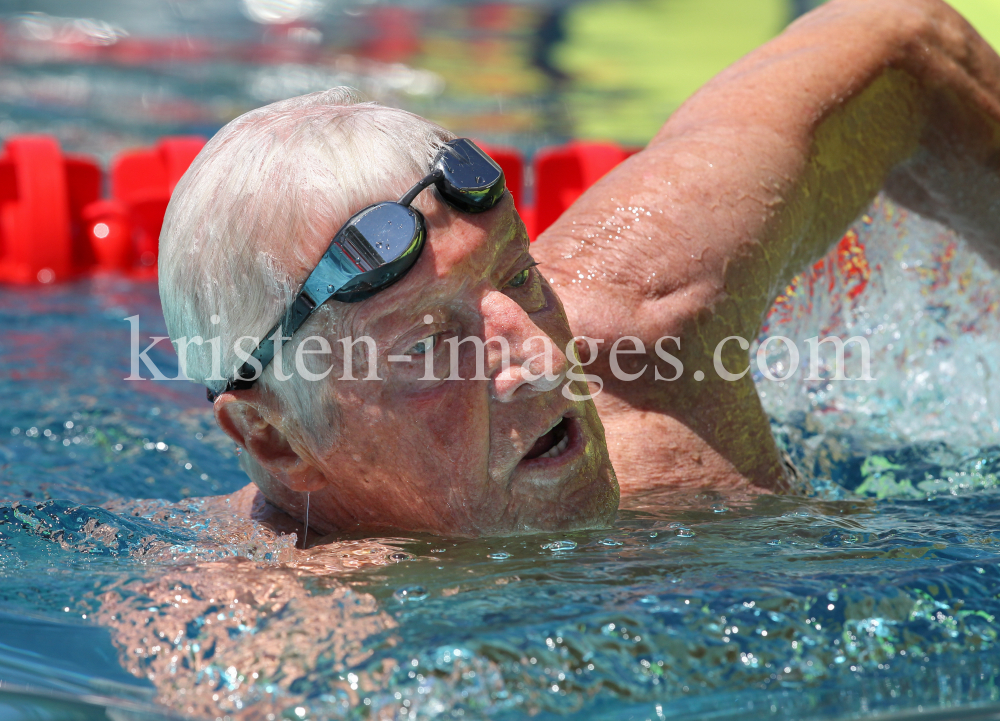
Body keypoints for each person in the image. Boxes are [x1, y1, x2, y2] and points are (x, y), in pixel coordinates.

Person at [159, 0, 1000, 541]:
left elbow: (907, 41)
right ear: (273, 435)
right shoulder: (270, 631)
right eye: (427, 342)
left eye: (519, 278)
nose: (542, 359)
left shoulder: (654, 322)